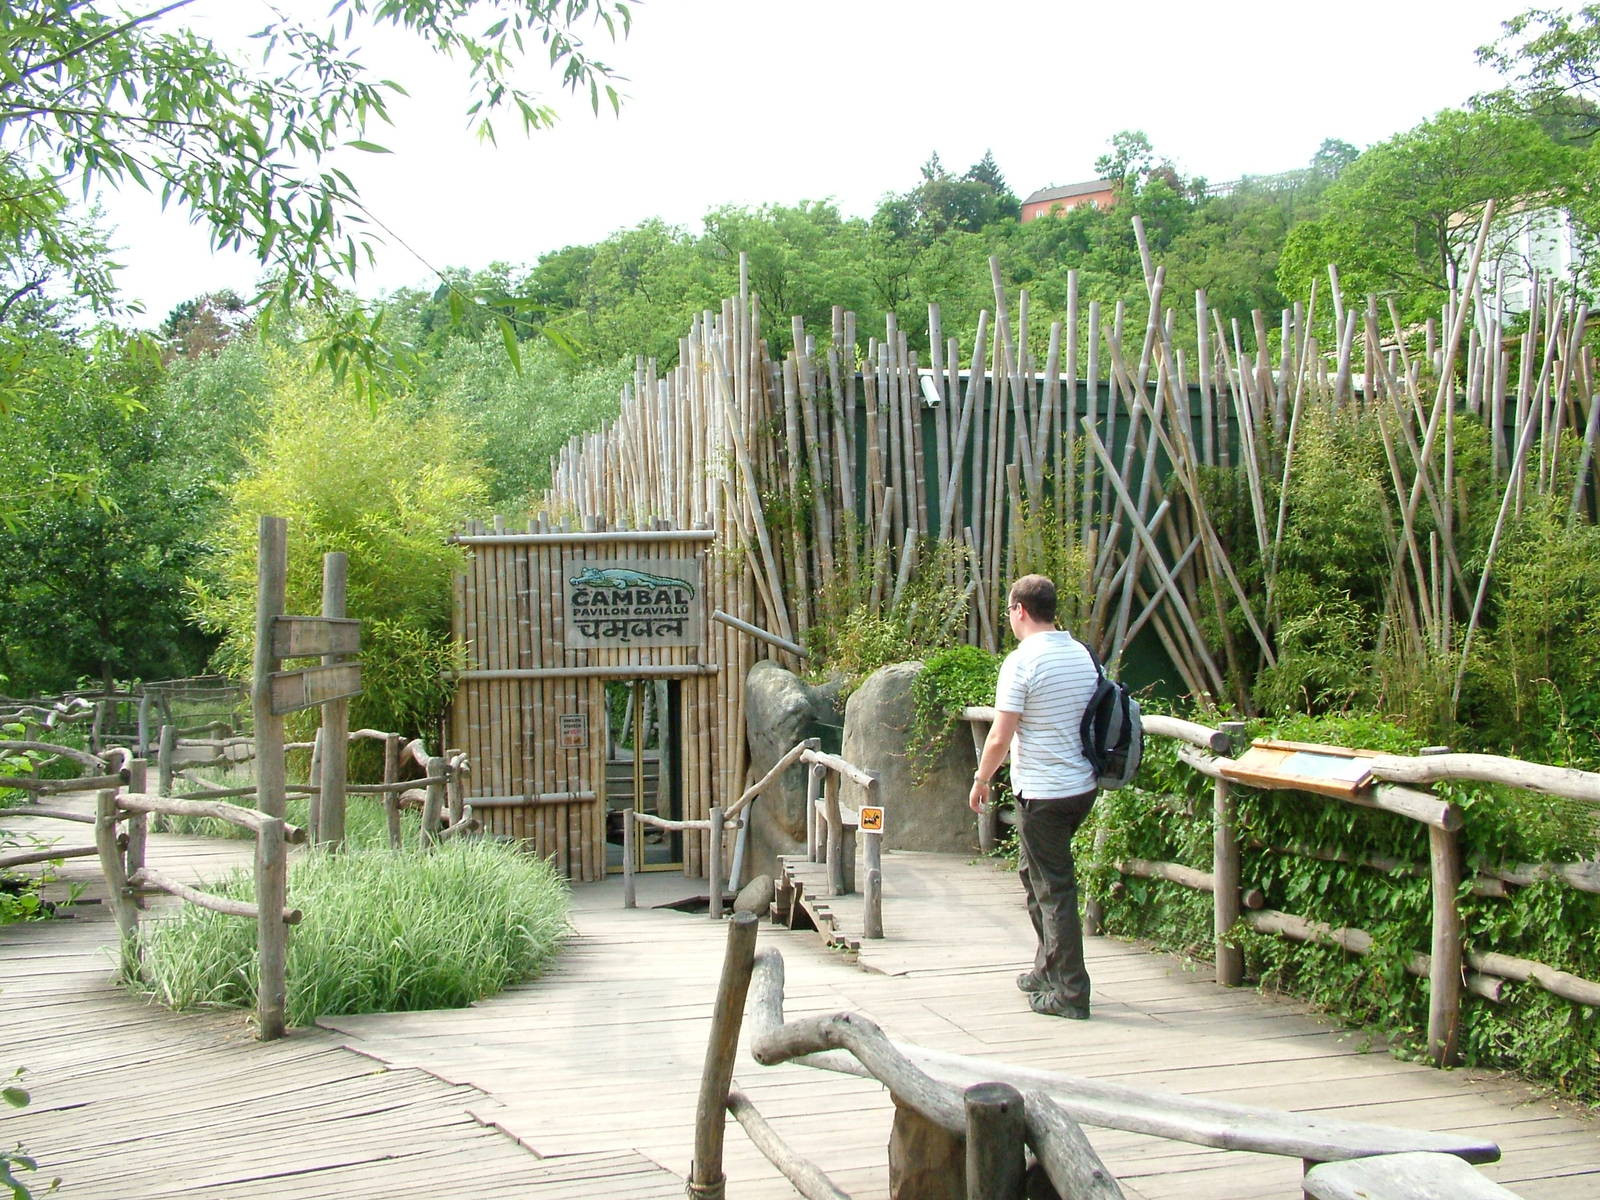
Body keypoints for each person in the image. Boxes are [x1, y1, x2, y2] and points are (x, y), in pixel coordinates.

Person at [968, 574, 1100, 1020]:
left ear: (1020, 610)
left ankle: (1070, 993)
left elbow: (999, 735)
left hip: (1044, 793)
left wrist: (981, 779)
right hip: (1081, 787)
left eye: (1009, 610)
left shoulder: (1022, 661)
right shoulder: (1081, 654)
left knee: (1053, 889)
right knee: (1034, 874)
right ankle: (1048, 968)